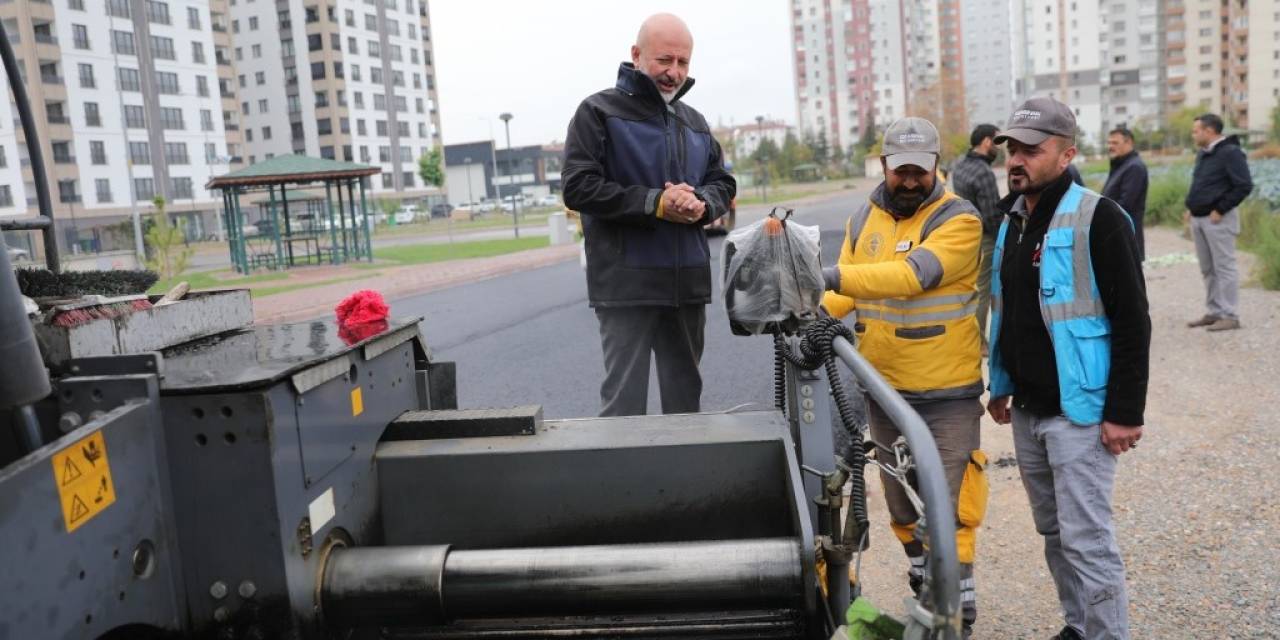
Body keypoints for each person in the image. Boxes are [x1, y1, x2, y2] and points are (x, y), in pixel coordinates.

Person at [986, 96, 1151, 640]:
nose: (1017, 159)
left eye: (1032, 150)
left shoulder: (1098, 217)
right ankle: (1079, 626)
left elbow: (1133, 321)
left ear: (1067, 154)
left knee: (1087, 540)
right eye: (1012, 148)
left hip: (1079, 413)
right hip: (1029, 410)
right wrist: (1001, 384)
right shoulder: (1013, 222)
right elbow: (1009, 313)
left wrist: (1124, 411)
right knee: (1054, 533)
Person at [821, 117, 986, 638]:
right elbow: (845, 293)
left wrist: (827, 276)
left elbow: (913, 275)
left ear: (936, 165)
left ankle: (955, 606)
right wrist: (810, 311)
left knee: (950, 504)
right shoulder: (863, 219)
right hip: (886, 392)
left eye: (920, 169)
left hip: (947, 393)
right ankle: (922, 580)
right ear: (885, 165)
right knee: (900, 504)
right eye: (901, 170)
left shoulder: (959, 219)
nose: (911, 179)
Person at [561, 14, 736, 416]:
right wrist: (655, 203)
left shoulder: (695, 122)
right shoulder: (597, 111)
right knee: (623, 407)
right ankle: (622, 463)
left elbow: (722, 183)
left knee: (685, 405)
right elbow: (578, 187)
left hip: (687, 286)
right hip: (626, 289)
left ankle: (683, 461)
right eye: (664, 60)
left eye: (683, 62)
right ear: (636, 55)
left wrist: (702, 203)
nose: (674, 72)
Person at [1184, 113, 1253, 332]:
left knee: (1224, 267)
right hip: (1199, 218)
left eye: (1196, 131)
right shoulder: (1204, 154)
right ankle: (1214, 312)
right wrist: (1191, 208)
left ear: (1210, 130)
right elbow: (1203, 184)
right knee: (1208, 268)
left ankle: (1230, 315)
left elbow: (1244, 185)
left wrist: (1221, 208)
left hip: (1218, 219)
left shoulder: (1230, 152)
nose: (1193, 135)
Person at [950, 123, 1002, 356]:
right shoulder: (983, 172)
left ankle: (967, 336)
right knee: (983, 291)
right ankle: (979, 342)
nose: (1000, 148)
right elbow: (992, 215)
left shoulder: (960, 166)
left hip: (965, 235)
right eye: (998, 142)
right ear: (987, 142)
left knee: (968, 289)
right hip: (985, 238)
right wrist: (1005, 241)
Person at [1102, 128, 1149, 261]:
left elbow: (1125, 205)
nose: (1110, 146)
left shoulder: (1134, 167)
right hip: (1115, 233)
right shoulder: (1120, 164)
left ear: (1129, 143)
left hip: (1126, 235)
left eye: (1115, 143)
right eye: (1109, 143)